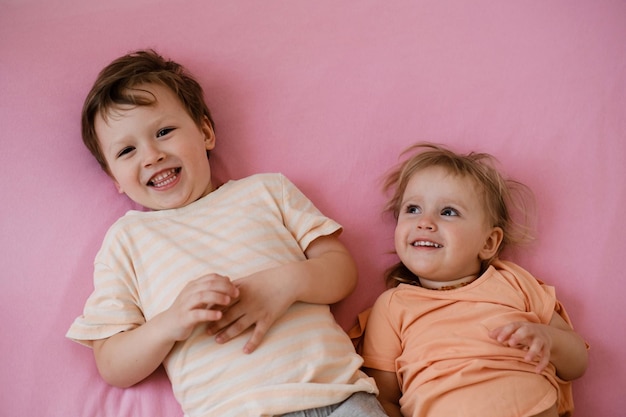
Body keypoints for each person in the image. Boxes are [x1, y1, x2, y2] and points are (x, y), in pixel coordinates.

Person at [66, 49, 385, 417]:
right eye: (127, 150)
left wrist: (284, 283)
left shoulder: (266, 192)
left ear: (205, 132)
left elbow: (341, 270)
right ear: (114, 179)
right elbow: (113, 364)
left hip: (339, 396)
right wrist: (170, 322)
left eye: (164, 132)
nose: (151, 155)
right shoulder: (126, 240)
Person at [359, 143, 588, 417]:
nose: (425, 222)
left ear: (489, 242)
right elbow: (383, 399)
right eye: (412, 209)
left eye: (448, 212)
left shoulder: (513, 282)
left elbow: (578, 363)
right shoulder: (393, 306)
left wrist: (549, 340)